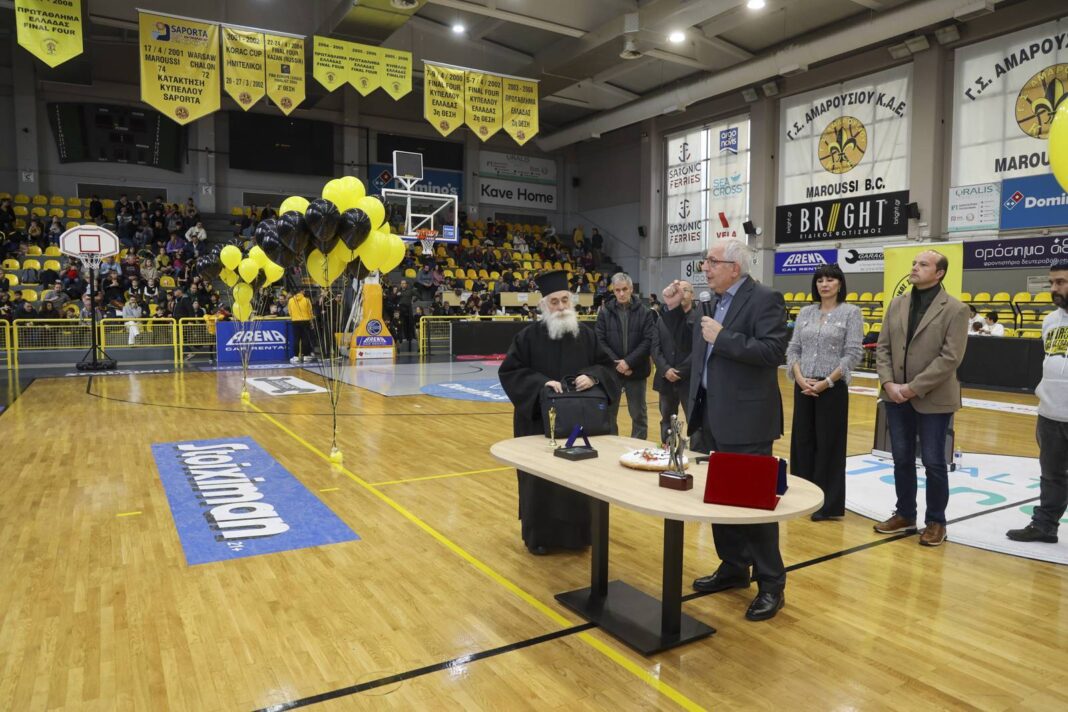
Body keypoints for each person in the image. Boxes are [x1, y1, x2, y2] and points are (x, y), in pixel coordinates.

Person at [660, 237, 789, 621]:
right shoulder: (711, 301)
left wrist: (725, 337)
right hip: (710, 417)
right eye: (705, 262)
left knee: (752, 503)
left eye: (711, 262)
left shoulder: (766, 298)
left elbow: (772, 352)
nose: (705, 267)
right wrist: (670, 310)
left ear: (735, 267)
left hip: (747, 421)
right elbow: (687, 344)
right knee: (719, 498)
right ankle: (734, 567)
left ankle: (771, 584)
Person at [498, 270, 618, 555]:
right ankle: (540, 538)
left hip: (579, 426)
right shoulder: (527, 337)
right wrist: (542, 384)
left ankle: (580, 537)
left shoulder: (586, 336)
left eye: (565, 300)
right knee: (541, 483)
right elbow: (510, 372)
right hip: (539, 426)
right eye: (555, 302)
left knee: (579, 481)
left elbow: (607, 367)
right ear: (544, 306)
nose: (562, 307)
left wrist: (593, 376)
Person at [874, 250, 970, 547]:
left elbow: (950, 358)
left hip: (932, 398)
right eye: (914, 263)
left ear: (939, 273)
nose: (914, 268)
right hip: (895, 395)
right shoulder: (897, 303)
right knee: (901, 458)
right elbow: (883, 347)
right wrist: (889, 383)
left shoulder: (955, 309)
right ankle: (905, 514)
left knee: (933, 462)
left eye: (923, 264)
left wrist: (912, 388)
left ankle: (936, 521)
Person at [785, 263, 864, 521]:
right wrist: (799, 377)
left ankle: (826, 505)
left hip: (831, 388)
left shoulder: (851, 313)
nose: (824, 284)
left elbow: (852, 354)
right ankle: (802, 498)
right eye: (820, 280)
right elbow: (793, 348)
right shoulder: (806, 312)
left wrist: (826, 382)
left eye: (830, 280)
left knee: (828, 446)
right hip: (803, 385)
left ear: (840, 284)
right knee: (802, 442)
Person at [1007, 263, 1068, 544]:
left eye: (1061, 283)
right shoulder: (1050, 321)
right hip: (1051, 412)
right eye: (1052, 283)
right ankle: (1045, 526)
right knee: (1052, 475)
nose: (1054, 289)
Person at [595, 273, 657, 440]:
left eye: (624, 289)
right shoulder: (604, 312)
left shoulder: (645, 312)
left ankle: (637, 451)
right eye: (617, 290)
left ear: (631, 289)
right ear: (613, 291)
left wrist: (628, 363)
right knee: (609, 413)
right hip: (612, 372)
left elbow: (648, 340)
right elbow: (600, 341)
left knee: (638, 415)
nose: (621, 293)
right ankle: (611, 448)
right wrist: (618, 364)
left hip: (636, 371)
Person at [652, 279, 696, 446]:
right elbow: (655, 349)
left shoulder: (699, 318)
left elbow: (698, 351)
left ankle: (695, 451)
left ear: (692, 295)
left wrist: (680, 372)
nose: (682, 293)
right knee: (667, 417)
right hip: (666, 378)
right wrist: (666, 370)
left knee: (694, 418)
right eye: (679, 290)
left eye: (686, 290)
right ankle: (667, 449)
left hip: (689, 379)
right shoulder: (662, 320)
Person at [287, 286, 315, 362]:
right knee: (305, 339)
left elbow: (289, 311)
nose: (304, 292)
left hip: (295, 321)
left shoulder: (290, 300)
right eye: (304, 291)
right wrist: (311, 322)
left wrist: (294, 317)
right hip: (305, 321)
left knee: (296, 339)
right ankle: (305, 356)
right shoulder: (306, 300)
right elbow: (310, 312)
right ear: (302, 291)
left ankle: (296, 356)